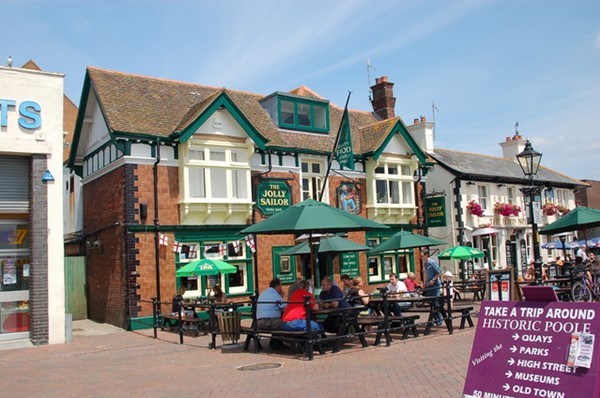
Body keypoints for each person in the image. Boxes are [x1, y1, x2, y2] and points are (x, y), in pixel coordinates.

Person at [257, 278, 287, 349]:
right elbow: (284, 307)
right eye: (281, 286)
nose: (281, 288)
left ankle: (275, 341)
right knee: (286, 323)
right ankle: (280, 342)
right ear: (277, 286)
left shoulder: (264, 293)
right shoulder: (275, 294)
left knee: (278, 322)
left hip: (259, 322)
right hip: (268, 322)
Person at [422, 249, 443, 326]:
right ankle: (435, 320)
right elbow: (426, 274)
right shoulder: (425, 264)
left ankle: (439, 320)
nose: (421, 258)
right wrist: (425, 283)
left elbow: (440, 272)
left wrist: (433, 279)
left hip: (435, 285)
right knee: (431, 303)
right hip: (429, 285)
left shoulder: (432, 262)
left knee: (435, 302)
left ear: (426, 255)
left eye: (422, 256)